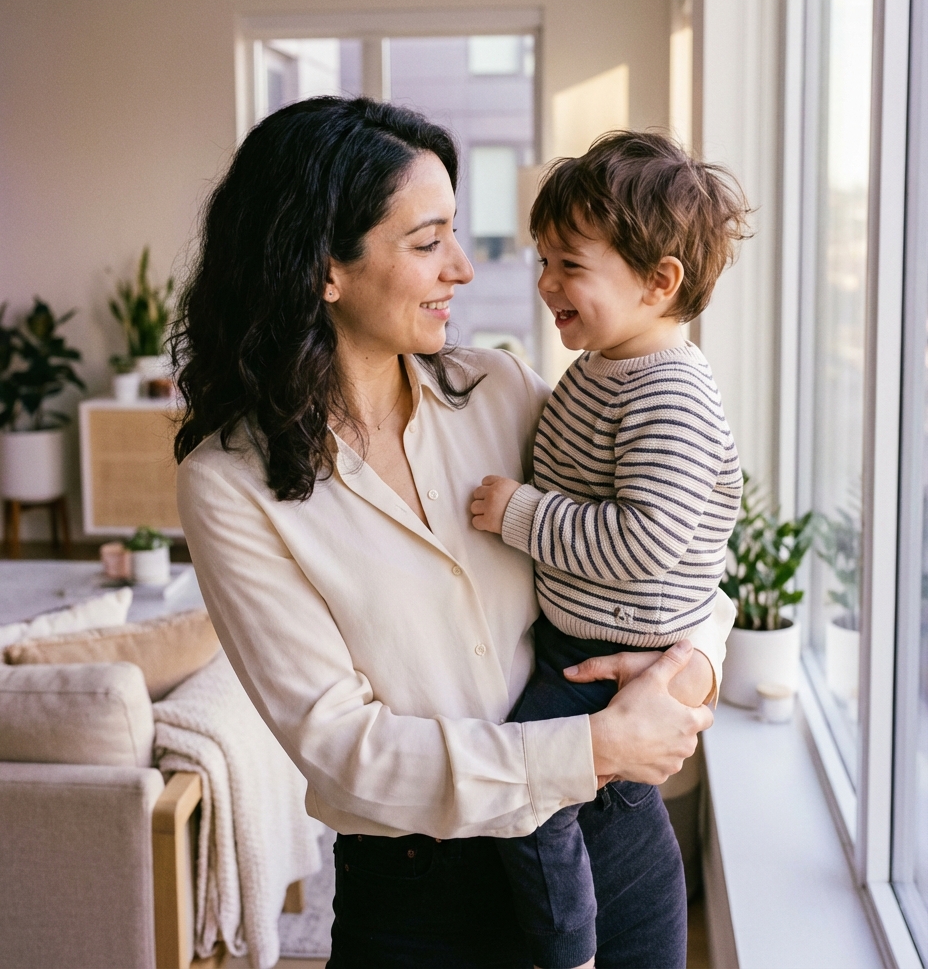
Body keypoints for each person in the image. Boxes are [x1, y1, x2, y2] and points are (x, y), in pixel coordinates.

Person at [172, 97, 730, 968]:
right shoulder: (229, 484)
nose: (464, 269)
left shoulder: (503, 391)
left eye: (456, 234)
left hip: (614, 842)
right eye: (429, 242)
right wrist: (588, 746)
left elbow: (676, 548)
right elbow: (341, 748)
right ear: (324, 268)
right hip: (424, 904)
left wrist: (692, 668)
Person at [470, 131, 747, 969]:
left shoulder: (669, 392)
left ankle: (570, 949)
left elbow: (641, 541)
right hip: (584, 639)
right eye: (543, 260)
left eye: (570, 265)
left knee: (527, 791)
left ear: (659, 282)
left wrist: (518, 514)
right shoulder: (605, 366)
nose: (546, 282)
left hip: (610, 653)